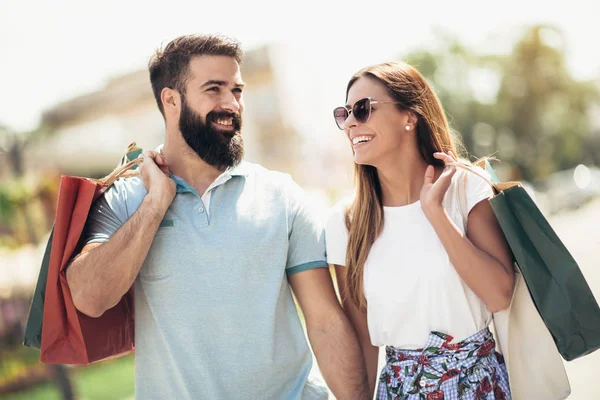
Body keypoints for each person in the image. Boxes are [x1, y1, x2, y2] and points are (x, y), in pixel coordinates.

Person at [65, 33, 369, 400]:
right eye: (214, 89)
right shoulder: (127, 198)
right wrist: (157, 202)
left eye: (237, 91)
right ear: (171, 100)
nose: (232, 104)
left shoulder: (281, 195)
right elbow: (88, 297)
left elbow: (325, 323)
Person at [326, 61, 515, 400]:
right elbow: (362, 340)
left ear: (409, 117)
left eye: (363, 109)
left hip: (478, 386)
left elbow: (499, 294)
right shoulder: (346, 222)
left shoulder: (466, 187)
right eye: (345, 114)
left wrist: (435, 213)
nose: (351, 123)